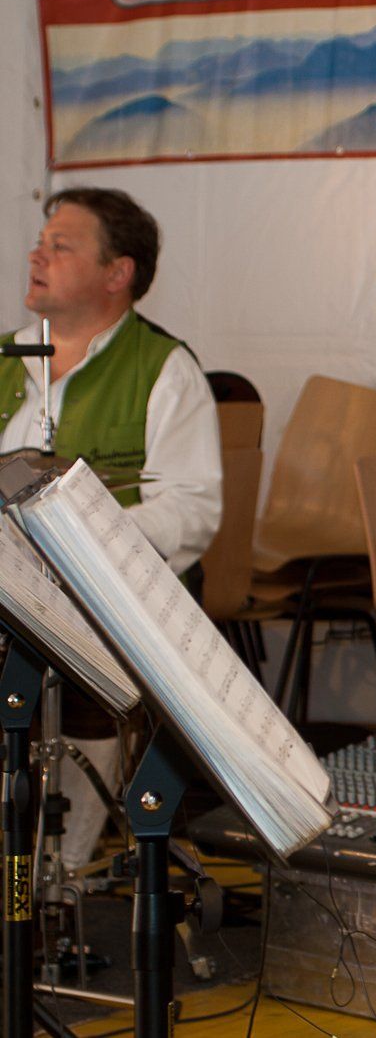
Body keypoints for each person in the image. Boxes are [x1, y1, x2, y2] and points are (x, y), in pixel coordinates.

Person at [0, 186, 222, 868]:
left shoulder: (165, 369)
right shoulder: (7, 358)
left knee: (85, 666)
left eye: (61, 246)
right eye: (40, 242)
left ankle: (57, 869)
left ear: (117, 272)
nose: (37, 255)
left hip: (106, 602)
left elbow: (191, 510)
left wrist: (76, 544)